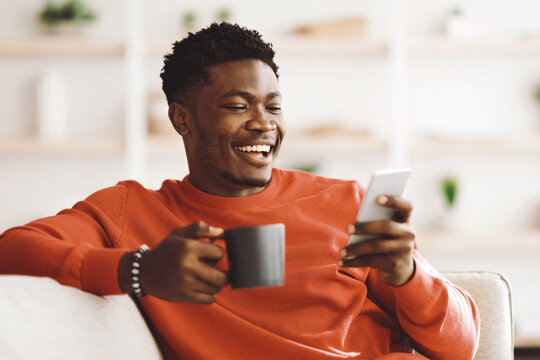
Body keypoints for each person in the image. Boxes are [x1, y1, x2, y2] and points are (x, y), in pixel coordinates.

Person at [0, 23, 479, 359]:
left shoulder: (347, 202)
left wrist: (407, 273)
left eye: (273, 106)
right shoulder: (131, 212)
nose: (263, 124)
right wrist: (139, 270)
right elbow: (13, 251)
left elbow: (461, 348)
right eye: (236, 105)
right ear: (182, 119)